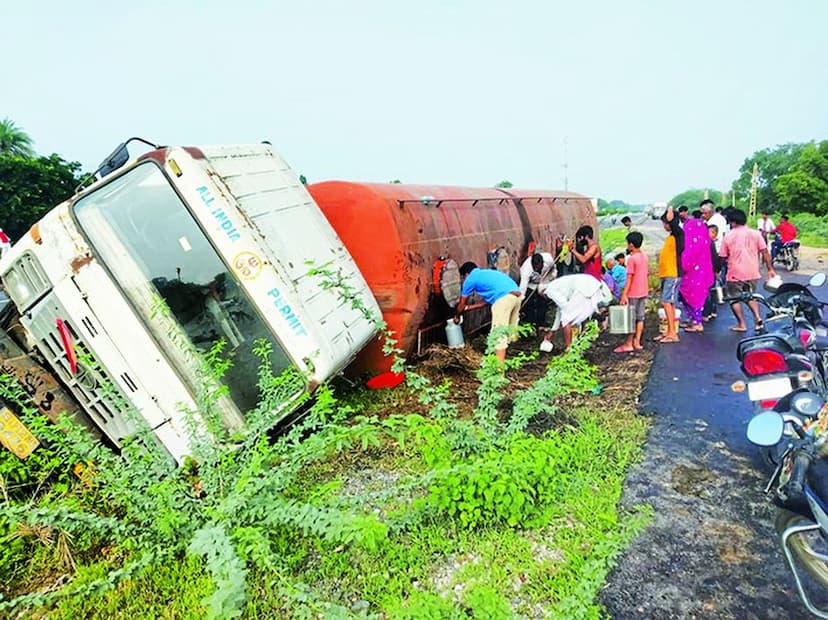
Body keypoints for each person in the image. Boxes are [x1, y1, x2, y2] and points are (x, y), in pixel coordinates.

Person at [718, 209, 776, 332]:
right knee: (751, 297)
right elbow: (765, 251)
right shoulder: (755, 233)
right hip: (752, 271)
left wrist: (717, 271)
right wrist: (770, 269)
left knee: (734, 298)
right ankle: (758, 319)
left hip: (735, 273)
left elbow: (722, 256)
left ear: (732, 222)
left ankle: (742, 324)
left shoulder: (729, 236)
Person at [454, 261, 521, 362]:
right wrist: (469, 308)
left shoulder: (470, 279)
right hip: (517, 297)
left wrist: (457, 316)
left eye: (463, 278)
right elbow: (485, 302)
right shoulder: (486, 274)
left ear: (466, 274)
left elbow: (461, 304)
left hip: (503, 300)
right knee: (510, 332)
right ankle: (510, 359)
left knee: (498, 335)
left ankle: (498, 373)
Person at [540, 274, 613, 349]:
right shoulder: (557, 285)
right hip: (593, 286)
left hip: (583, 288)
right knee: (585, 313)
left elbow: (564, 307)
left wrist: (567, 319)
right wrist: (553, 330)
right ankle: (581, 342)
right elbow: (559, 310)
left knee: (566, 319)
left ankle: (569, 348)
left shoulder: (549, 291)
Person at [614, 231, 649, 353]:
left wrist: (624, 294)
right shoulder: (644, 256)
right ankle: (637, 341)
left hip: (633, 292)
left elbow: (629, 278)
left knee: (630, 319)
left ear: (631, 245)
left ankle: (628, 343)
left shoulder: (632, 259)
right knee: (640, 318)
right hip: (643, 290)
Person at [654, 205, 684, 343]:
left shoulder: (678, 234)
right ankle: (669, 331)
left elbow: (673, 222)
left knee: (667, 302)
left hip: (673, 273)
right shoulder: (671, 237)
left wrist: (670, 208)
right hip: (667, 273)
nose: (664, 226)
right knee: (668, 303)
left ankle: (673, 333)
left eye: (664, 223)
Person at [678, 218, 714, 332]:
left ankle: (697, 322)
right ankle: (693, 319)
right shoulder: (705, 241)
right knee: (693, 297)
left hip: (693, 274)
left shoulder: (691, 242)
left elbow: (687, 258)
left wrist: (681, 265)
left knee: (694, 298)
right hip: (702, 273)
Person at [518, 251, 556, 328]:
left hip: (544, 281)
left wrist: (552, 277)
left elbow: (553, 268)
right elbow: (523, 287)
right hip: (531, 284)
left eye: (539, 268)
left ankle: (541, 322)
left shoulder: (548, 259)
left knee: (542, 302)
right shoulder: (526, 269)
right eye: (535, 268)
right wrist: (520, 302)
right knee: (530, 303)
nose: (537, 270)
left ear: (543, 263)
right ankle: (531, 324)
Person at [702, 224, 724, 322]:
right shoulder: (710, 242)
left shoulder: (709, 243)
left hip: (709, 271)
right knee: (712, 292)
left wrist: (716, 271)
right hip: (711, 271)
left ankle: (706, 313)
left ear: (715, 233)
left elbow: (714, 258)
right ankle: (712, 311)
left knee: (707, 293)